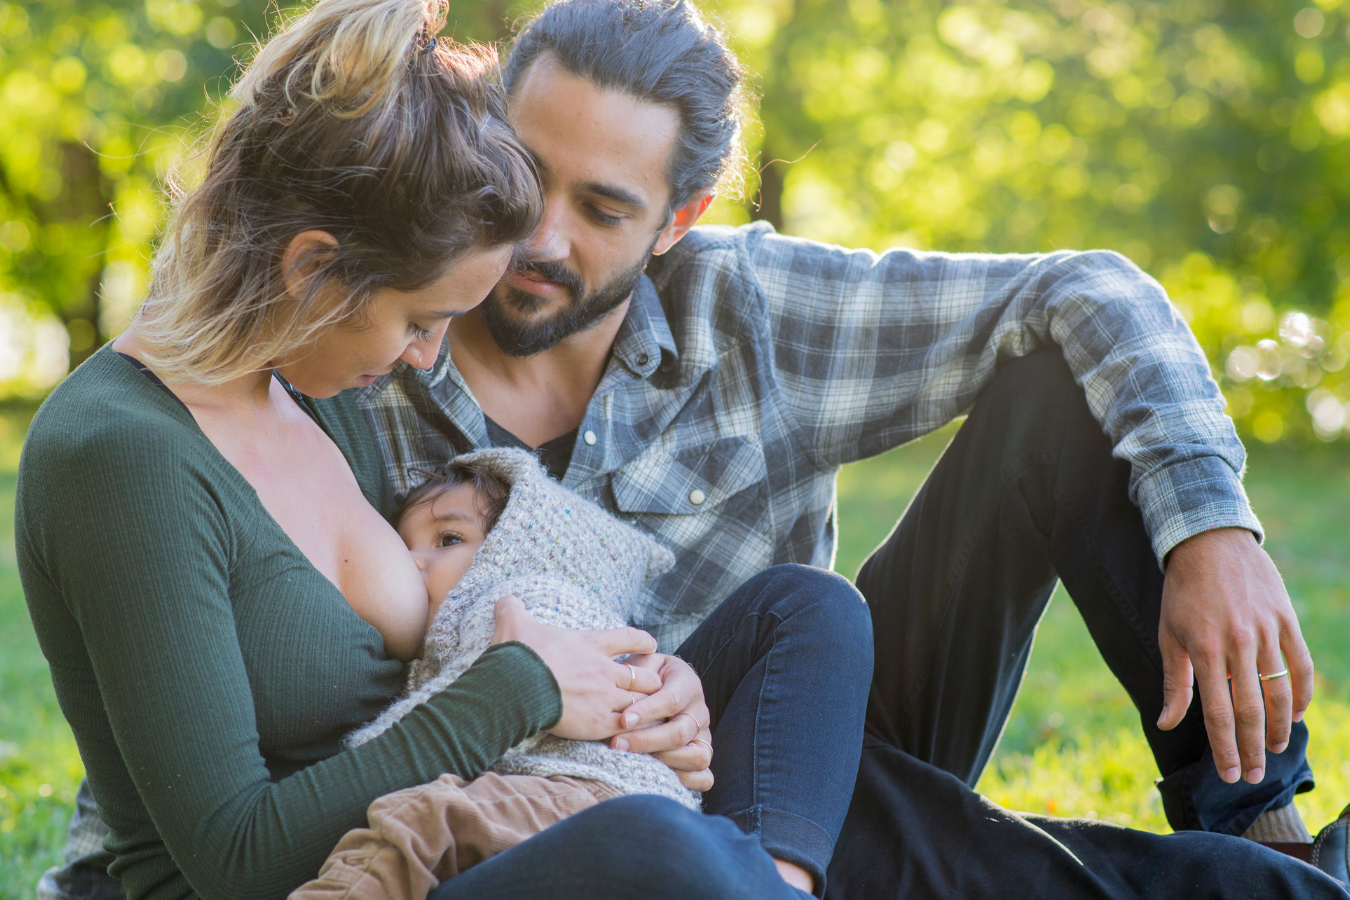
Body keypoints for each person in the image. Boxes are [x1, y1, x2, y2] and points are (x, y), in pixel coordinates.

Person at [37, 0, 1350, 898]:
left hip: (781, 745)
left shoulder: (754, 309)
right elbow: (219, 728)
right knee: (683, 848)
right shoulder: (341, 368)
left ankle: (1257, 831)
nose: (540, 240)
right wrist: (550, 689)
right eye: (522, 177)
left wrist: (1209, 527)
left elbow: (1091, 292)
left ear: (679, 217)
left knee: (849, 584)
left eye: (601, 208)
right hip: (558, 790)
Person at [20, 2, 868, 898]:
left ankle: (772, 883)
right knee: (657, 848)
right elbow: (236, 860)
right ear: (312, 268)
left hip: (465, 831)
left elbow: (480, 625)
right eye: (421, 322)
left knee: (802, 610)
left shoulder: (303, 393)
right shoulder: (120, 457)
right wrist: (524, 689)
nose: (427, 360)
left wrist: (650, 693)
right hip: (328, 882)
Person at [291, 448, 872, 898]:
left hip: (567, 791)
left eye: (448, 539)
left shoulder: (507, 604)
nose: (413, 561)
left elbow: (459, 708)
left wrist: (365, 752)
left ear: (513, 547)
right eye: (404, 545)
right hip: (627, 801)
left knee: (412, 823)